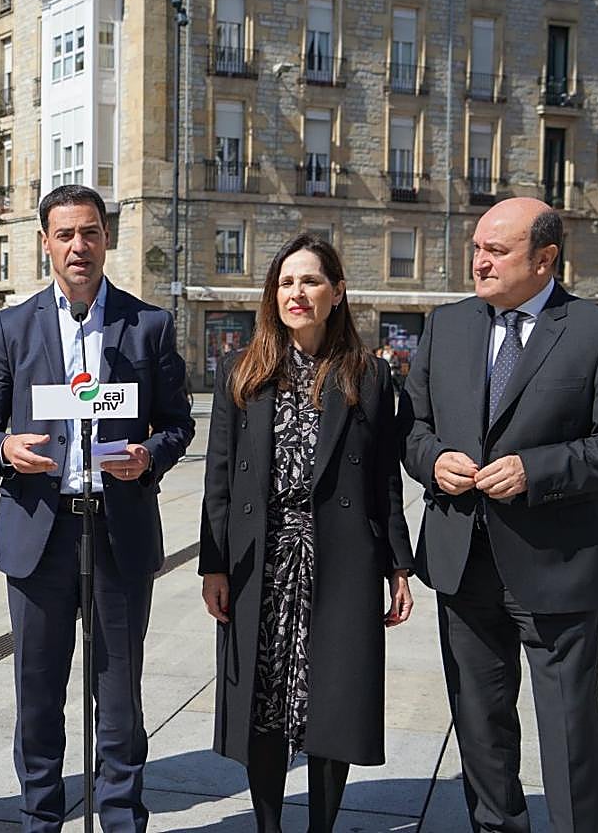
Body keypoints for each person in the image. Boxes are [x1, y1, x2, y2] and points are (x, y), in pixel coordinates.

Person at [0, 184, 195, 833]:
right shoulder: (12, 327)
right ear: (45, 243)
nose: (78, 246)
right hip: (39, 536)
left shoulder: (147, 326)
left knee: (118, 698)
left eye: (90, 232)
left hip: (117, 532)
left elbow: (178, 424)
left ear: (107, 238)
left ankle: (120, 819)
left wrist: (148, 455)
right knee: (38, 696)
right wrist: (6, 449)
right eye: (65, 235)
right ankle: (40, 819)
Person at [399, 198, 598, 833]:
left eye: (496, 251)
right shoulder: (446, 325)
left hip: (558, 565)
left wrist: (538, 470)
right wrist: (433, 460)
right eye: (477, 247)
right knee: (479, 722)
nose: (479, 261)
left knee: (569, 725)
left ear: (545, 258)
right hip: (462, 561)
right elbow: (412, 427)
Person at [198, 234, 414, 833]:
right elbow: (220, 477)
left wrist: (398, 566)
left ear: (337, 292)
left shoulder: (368, 374)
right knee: (264, 701)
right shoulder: (244, 371)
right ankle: (269, 826)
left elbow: (385, 480)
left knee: (331, 703)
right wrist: (214, 566)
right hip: (262, 560)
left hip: (340, 559)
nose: (297, 293)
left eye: (311, 281)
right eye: (286, 282)